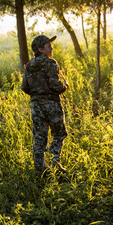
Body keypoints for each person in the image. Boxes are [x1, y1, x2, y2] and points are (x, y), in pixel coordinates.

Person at [21, 35, 69, 174]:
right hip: (52, 105)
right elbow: (55, 85)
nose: (51, 48)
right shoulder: (51, 63)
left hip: (36, 106)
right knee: (59, 135)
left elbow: (24, 87)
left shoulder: (29, 66)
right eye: (48, 46)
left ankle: (40, 169)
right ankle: (55, 164)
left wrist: (37, 94)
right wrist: (64, 86)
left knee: (40, 138)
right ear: (40, 49)